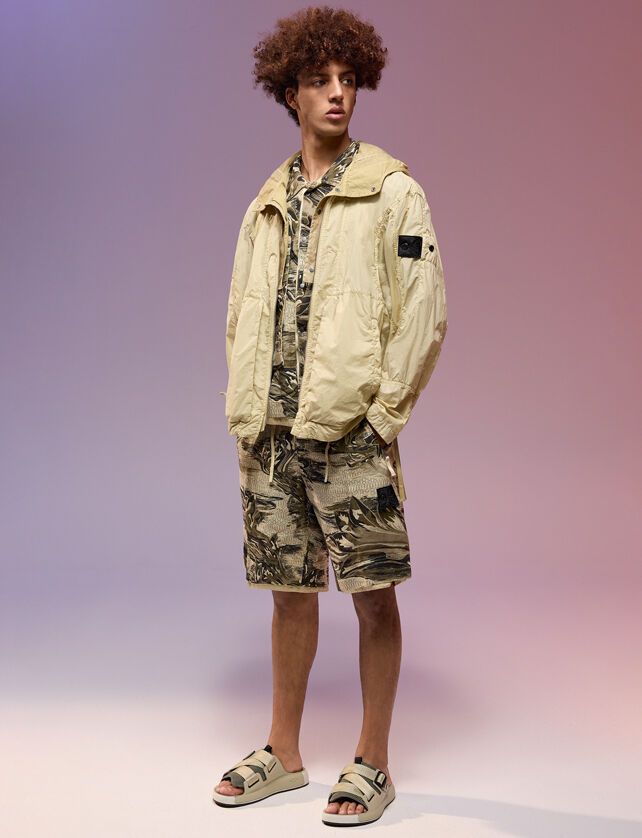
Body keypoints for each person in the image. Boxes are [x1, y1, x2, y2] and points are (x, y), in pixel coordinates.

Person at [213, 6, 448, 827]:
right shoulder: (265, 203)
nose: (338, 93)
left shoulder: (392, 192)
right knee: (288, 593)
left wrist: (384, 416)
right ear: (291, 93)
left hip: (352, 435)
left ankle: (373, 760)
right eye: (320, 81)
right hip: (272, 437)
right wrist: (246, 410)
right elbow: (240, 314)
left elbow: (424, 311)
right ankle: (283, 752)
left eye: (348, 80)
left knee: (373, 595)